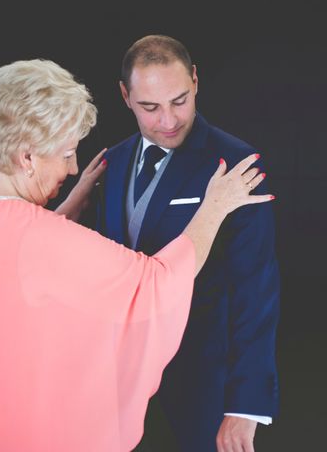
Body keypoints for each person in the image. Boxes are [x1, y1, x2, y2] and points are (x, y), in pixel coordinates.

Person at [0, 59, 273, 452]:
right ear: (27, 158)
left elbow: (15, 267)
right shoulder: (41, 237)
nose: (75, 166)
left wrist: (64, 212)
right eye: (66, 153)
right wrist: (214, 208)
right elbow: (155, 282)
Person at [95, 35, 280, 452]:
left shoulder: (238, 163)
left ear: (195, 80)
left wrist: (245, 406)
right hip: (117, 382)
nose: (169, 120)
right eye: (150, 107)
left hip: (203, 383)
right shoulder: (113, 161)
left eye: (179, 100)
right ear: (125, 95)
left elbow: (256, 289)